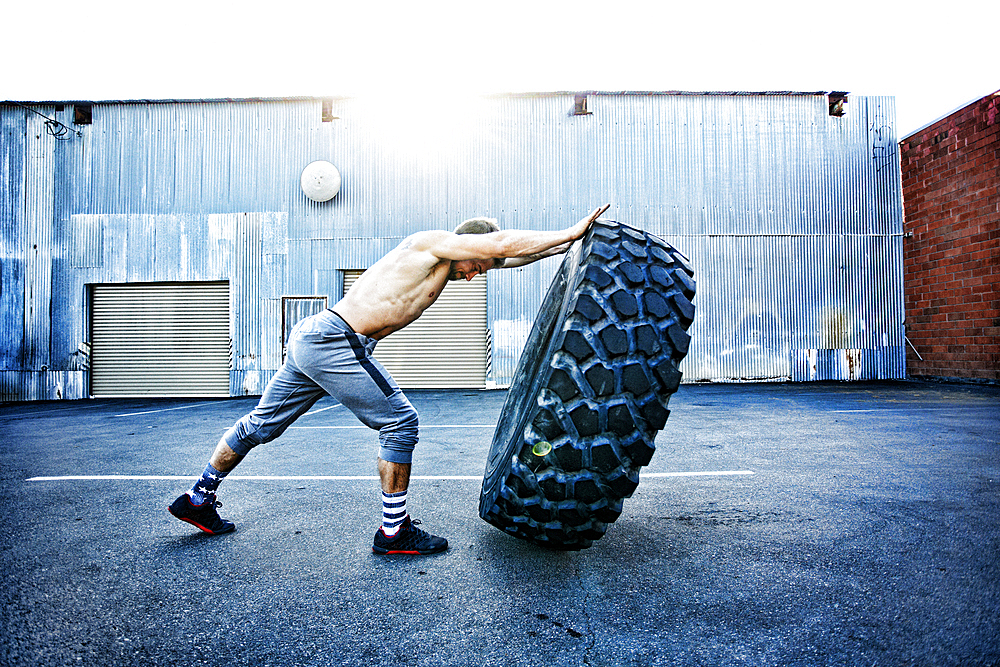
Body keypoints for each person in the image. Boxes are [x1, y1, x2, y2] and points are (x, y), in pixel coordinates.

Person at [168, 204, 611, 555]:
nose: (477, 275)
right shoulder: (432, 243)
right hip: (336, 343)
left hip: (317, 339)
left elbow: (505, 254)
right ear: (467, 243)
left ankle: (198, 497)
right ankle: (393, 531)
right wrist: (569, 231)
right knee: (401, 420)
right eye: (478, 264)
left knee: (259, 426)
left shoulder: (450, 260)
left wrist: (558, 251)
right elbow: (498, 243)